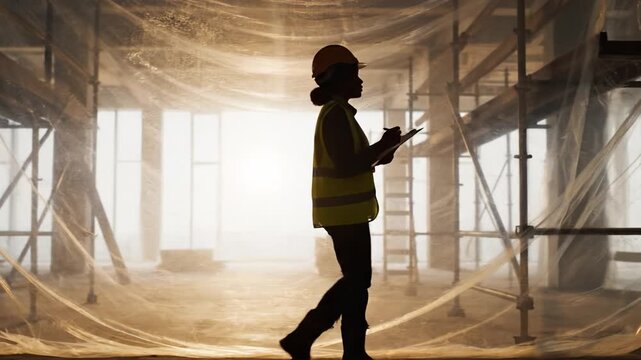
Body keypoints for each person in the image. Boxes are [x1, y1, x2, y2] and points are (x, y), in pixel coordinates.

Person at [279, 45, 401, 360]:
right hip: (344, 213)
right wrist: (382, 145)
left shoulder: (342, 114)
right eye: (354, 75)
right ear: (337, 78)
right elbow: (347, 166)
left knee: (357, 283)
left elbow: (358, 161)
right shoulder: (335, 115)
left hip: (348, 212)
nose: (360, 82)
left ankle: (352, 352)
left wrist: (386, 149)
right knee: (357, 281)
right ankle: (303, 336)